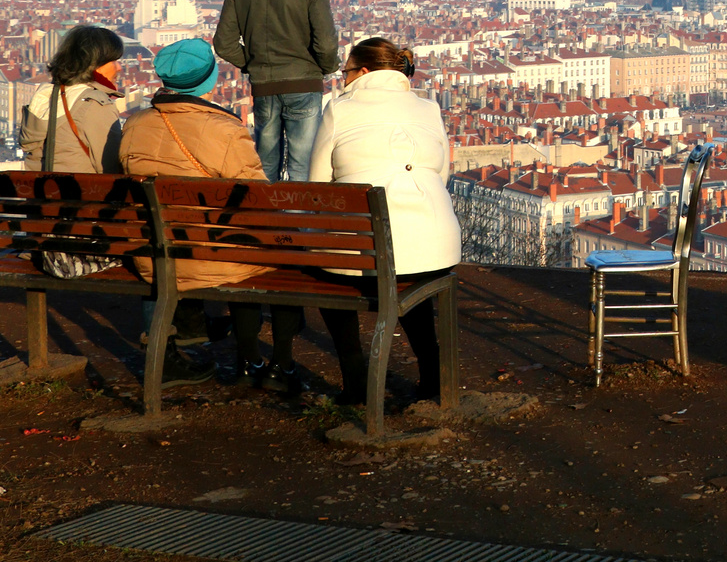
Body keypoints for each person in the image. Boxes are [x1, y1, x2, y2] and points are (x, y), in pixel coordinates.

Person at [121, 38, 307, 392]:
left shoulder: (134, 124)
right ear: (209, 81)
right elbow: (256, 199)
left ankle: (248, 362)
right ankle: (277, 361)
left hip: (152, 255)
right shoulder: (224, 129)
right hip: (209, 256)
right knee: (281, 250)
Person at [311, 38, 461, 404]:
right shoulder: (428, 108)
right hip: (433, 246)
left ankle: (356, 382)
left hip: (360, 252)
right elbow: (440, 176)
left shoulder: (338, 109)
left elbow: (317, 186)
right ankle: (431, 376)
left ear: (362, 72)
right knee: (410, 274)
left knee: (329, 271)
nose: (342, 79)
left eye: (345, 72)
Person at [213, 0, 340, 182]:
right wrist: (324, 68)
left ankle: (267, 222)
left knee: (266, 167)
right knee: (302, 169)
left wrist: (253, 63)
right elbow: (326, 43)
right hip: (304, 84)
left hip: (264, 86)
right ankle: (298, 223)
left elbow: (224, 43)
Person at [21, 25, 126, 280]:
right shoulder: (94, 105)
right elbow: (112, 172)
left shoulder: (43, 96)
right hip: (83, 243)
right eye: (114, 61)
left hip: (43, 236)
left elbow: (32, 159)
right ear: (96, 65)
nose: (119, 68)